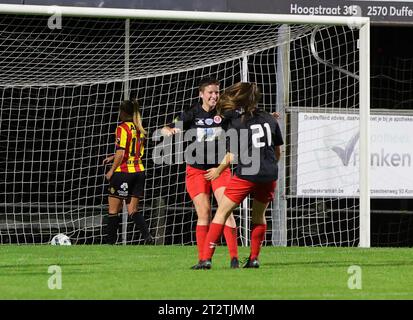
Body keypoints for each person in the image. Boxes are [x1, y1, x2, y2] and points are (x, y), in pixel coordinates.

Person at [199, 82, 284, 269]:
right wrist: (268, 167)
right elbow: (278, 152)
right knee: (259, 216)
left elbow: (231, 155)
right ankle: (253, 258)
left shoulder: (238, 122)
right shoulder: (270, 119)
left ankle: (206, 259)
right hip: (269, 174)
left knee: (221, 212)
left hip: (247, 173)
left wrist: (219, 170)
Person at [162, 77, 239, 269]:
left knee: (226, 210)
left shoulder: (225, 112)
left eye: (216, 92)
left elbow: (248, 118)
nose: (214, 96)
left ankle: (234, 259)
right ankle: (203, 259)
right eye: (210, 92)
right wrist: (168, 131)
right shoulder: (191, 113)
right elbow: (167, 127)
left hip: (219, 169)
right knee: (203, 213)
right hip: (196, 170)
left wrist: (267, 117)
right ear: (201, 94)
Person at [103, 99, 154, 245]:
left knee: (113, 210)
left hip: (124, 172)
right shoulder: (139, 128)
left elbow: (121, 153)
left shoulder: (122, 128)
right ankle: (147, 237)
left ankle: (110, 243)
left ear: (123, 112)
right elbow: (132, 150)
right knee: (132, 210)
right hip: (139, 171)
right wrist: (113, 156)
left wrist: (111, 170)